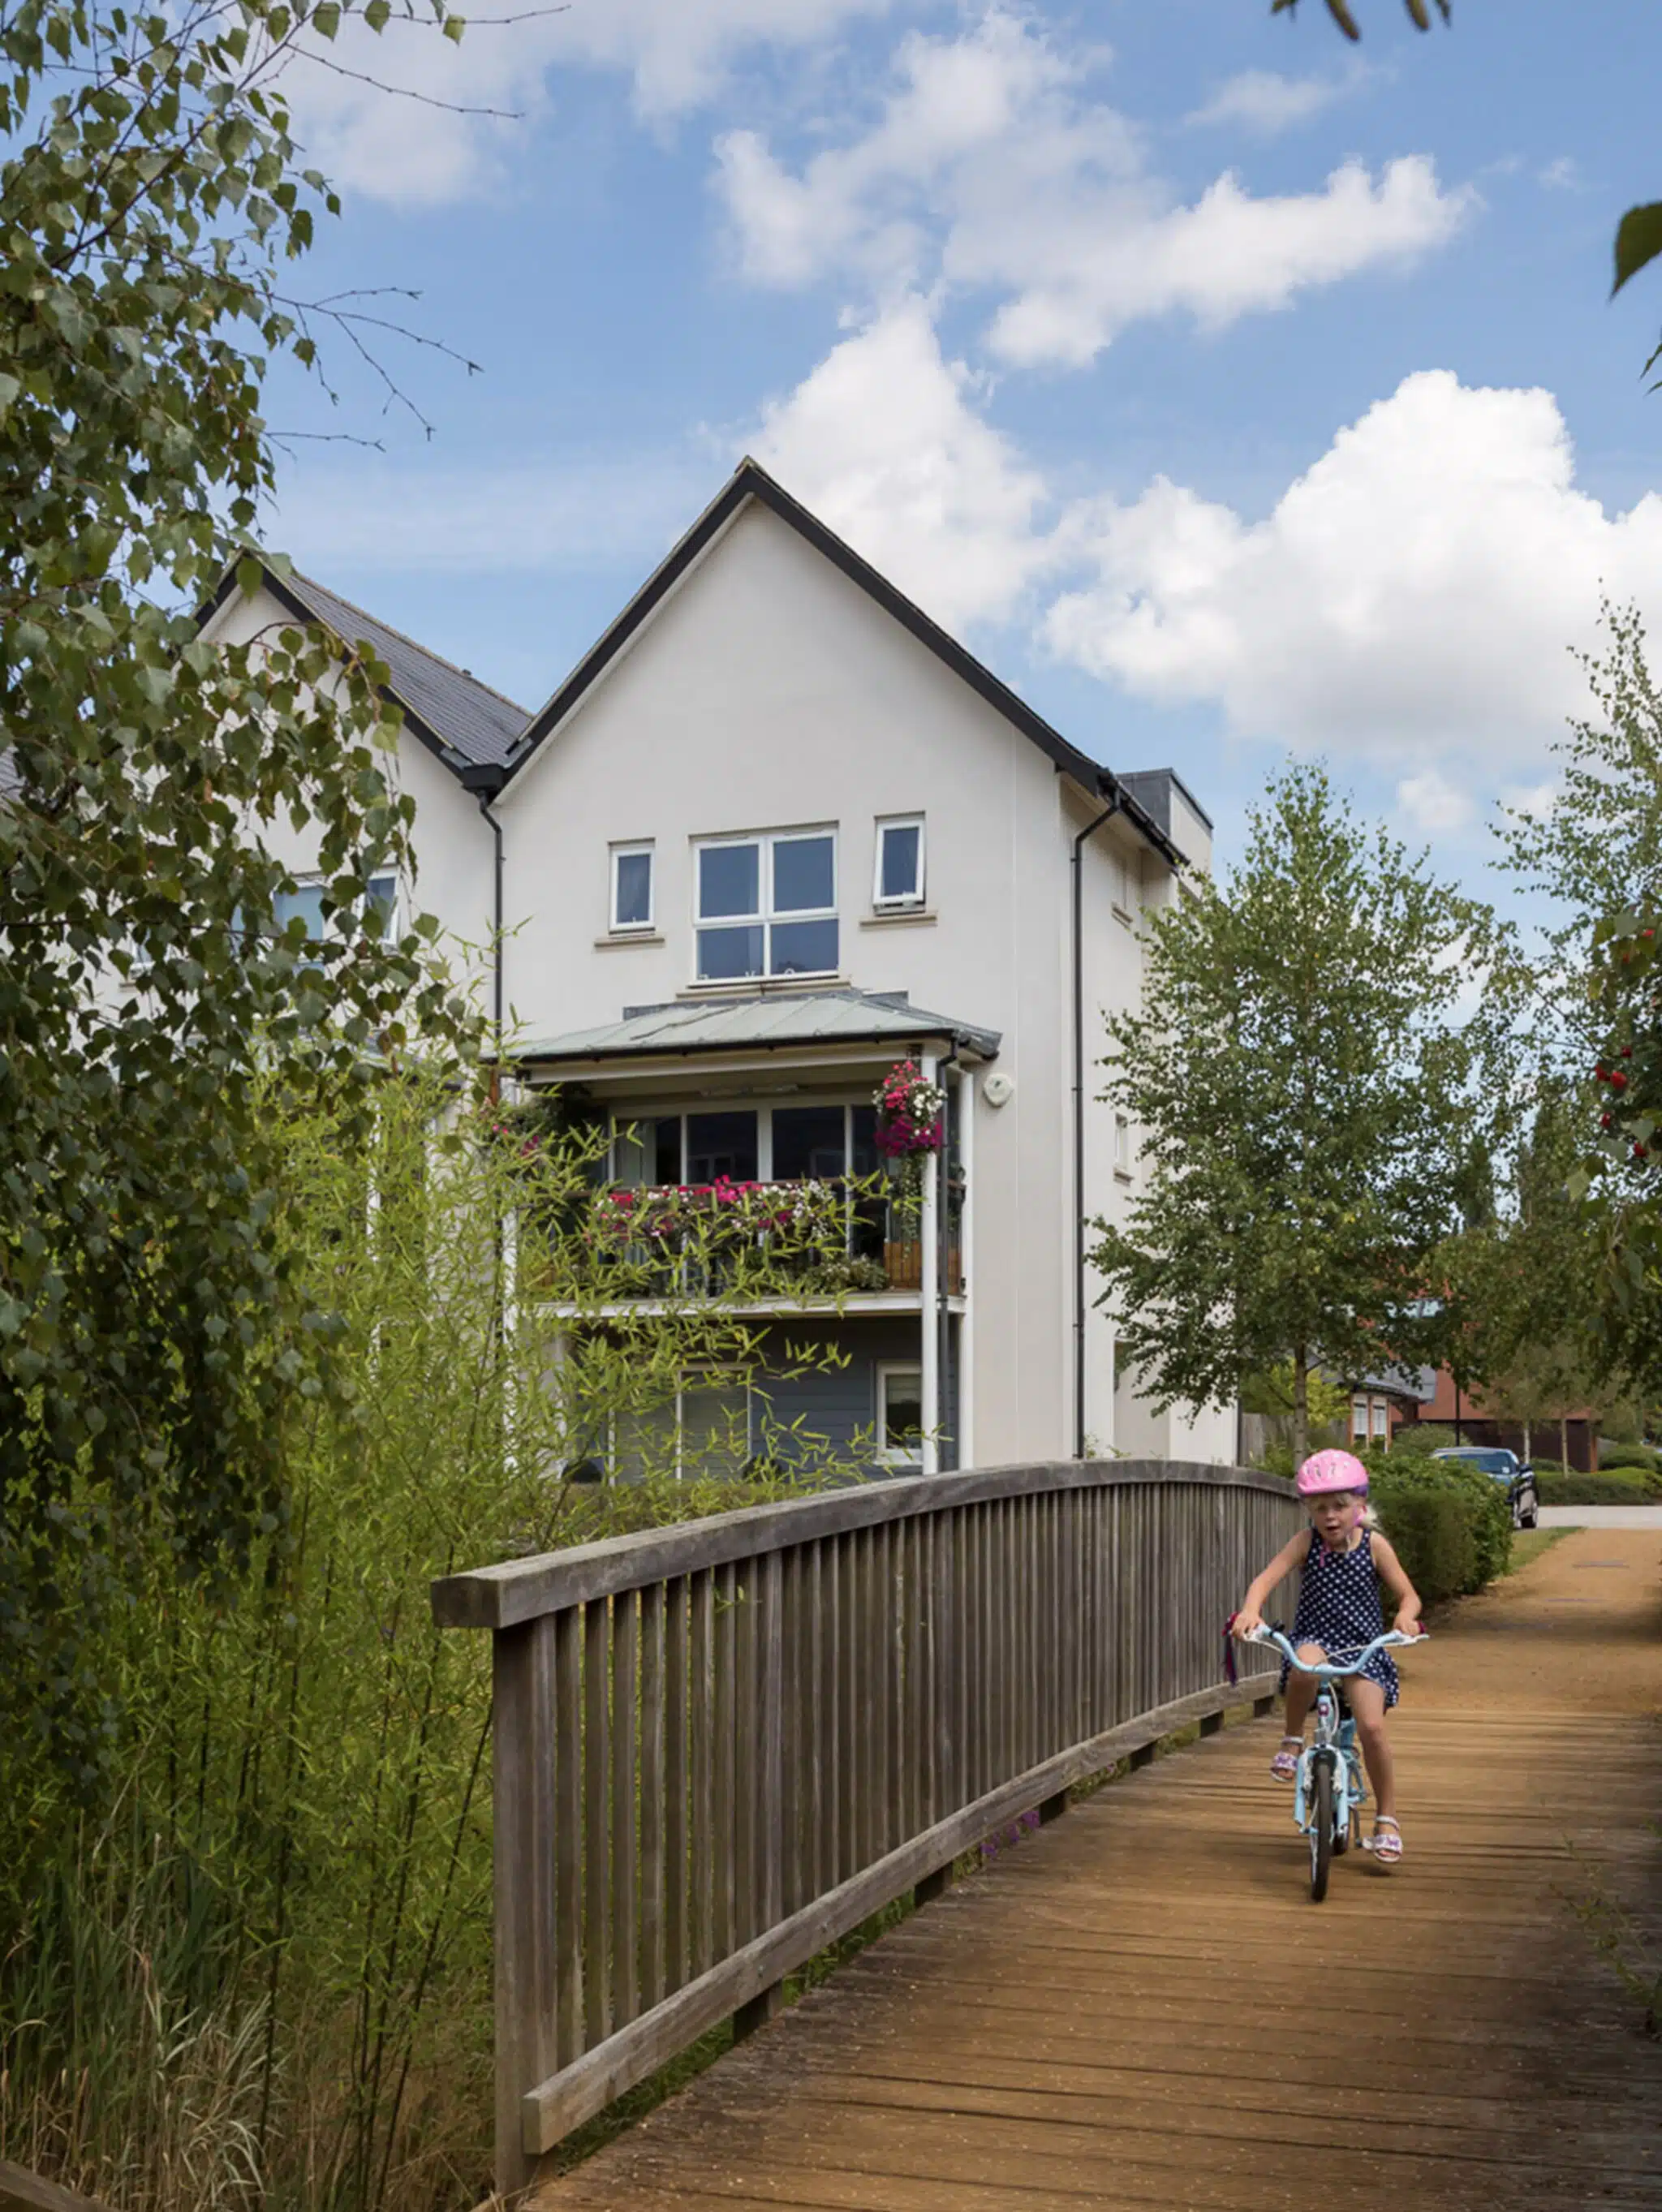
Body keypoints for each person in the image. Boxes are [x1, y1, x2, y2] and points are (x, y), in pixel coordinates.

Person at [1233, 1447, 1423, 1865]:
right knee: (1304, 1667)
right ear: (1309, 1511)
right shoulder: (1306, 1543)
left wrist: (1405, 1618)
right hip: (1317, 1637)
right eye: (1320, 1508)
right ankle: (1292, 1737)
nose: (1331, 1516)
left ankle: (1387, 1818)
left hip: (1362, 1645)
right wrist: (1250, 1611)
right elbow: (1264, 1580)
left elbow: (1409, 1596)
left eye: (1339, 1506)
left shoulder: (1374, 1546)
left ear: (1360, 1506)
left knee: (1372, 1728)